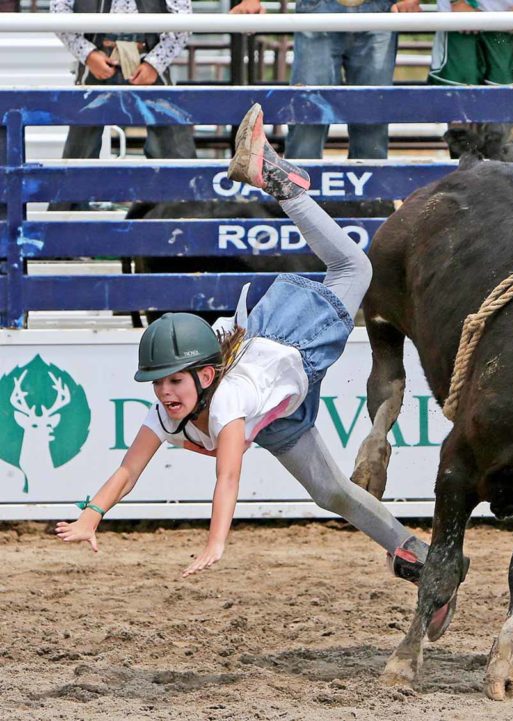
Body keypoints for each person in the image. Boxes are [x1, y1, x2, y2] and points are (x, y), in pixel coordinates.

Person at [55, 103, 464, 642]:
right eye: (159, 382)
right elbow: (129, 471)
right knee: (333, 493)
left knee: (355, 267)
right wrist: (92, 513)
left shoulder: (225, 404)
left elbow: (228, 477)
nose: (164, 392)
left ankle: (278, 181)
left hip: (291, 349)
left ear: (204, 377)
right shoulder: (173, 408)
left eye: (174, 380)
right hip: (277, 410)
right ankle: (420, 554)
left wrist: (216, 541)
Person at [231, 0, 421, 160]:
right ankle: (298, 197)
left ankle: (371, 200)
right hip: (322, 6)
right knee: (308, 111)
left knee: (371, 115)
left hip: (377, 8)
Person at [50, 0, 197, 164]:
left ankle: (177, 187)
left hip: (146, 58)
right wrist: (88, 54)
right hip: (98, 58)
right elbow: (58, 12)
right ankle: (75, 187)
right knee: (81, 148)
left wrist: (155, 64)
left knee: (174, 148)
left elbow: (184, 20)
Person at [428, 0, 513, 89]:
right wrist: (457, 3)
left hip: (508, 18)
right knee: (457, 89)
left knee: (505, 91)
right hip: (459, 20)